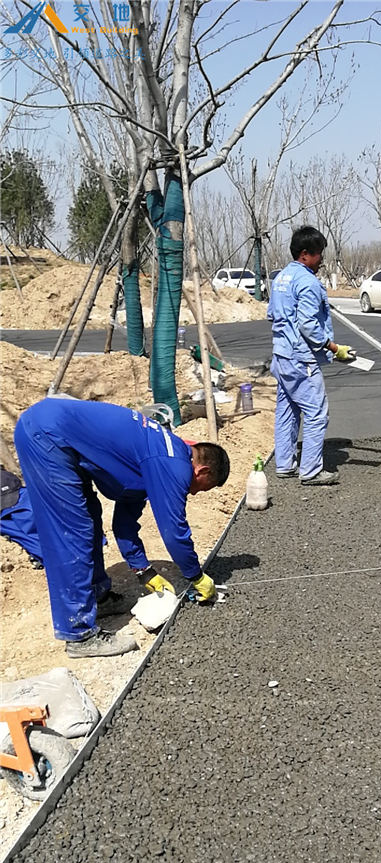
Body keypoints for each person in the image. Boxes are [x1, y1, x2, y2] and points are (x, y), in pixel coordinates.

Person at [14, 397, 230, 656]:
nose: (193, 494)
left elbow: (125, 523)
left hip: (58, 434)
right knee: (71, 532)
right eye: (200, 488)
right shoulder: (173, 464)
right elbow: (174, 531)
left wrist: (143, 571)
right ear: (202, 471)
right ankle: (79, 635)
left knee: (90, 518)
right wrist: (195, 575)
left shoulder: (157, 459)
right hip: (46, 435)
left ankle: (97, 597)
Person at [267, 225, 354, 486]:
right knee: (316, 412)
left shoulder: (281, 277)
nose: (321, 260)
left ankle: (284, 464)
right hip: (300, 359)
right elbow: (307, 325)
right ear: (305, 254)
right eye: (319, 255)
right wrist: (332, 347)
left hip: (281, 354)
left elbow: (272, 313)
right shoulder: (307, 282)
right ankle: (311, 471)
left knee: (287, 409)